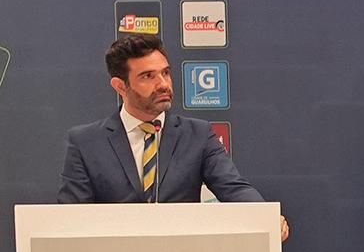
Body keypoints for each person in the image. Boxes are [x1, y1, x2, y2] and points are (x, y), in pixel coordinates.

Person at [58, 34, 288, 241]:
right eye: (148, 76)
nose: (163, 84)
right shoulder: (86, 142)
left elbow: (233, 188)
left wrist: (264, 216)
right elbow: (72, 217)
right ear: (120, 86)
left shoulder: (198, 135)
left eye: (165, 73)